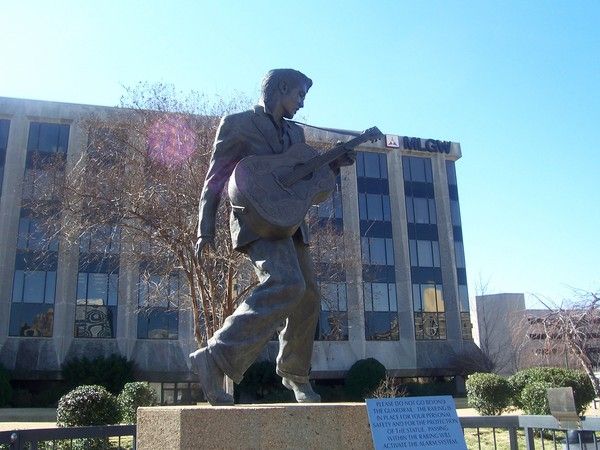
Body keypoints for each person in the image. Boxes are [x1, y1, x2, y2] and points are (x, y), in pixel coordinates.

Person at [190, 69, 354, 405]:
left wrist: (333, 165)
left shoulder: (296, 133)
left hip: (290, 222)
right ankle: (215, 357)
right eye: (299, 95)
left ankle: (296, 373)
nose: (302, 104)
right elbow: (214, 178)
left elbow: (303, 178)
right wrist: (204, 228)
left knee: (308, 295)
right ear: (281, 88)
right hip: (256, 218)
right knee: (287, 283)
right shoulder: (238, 124)